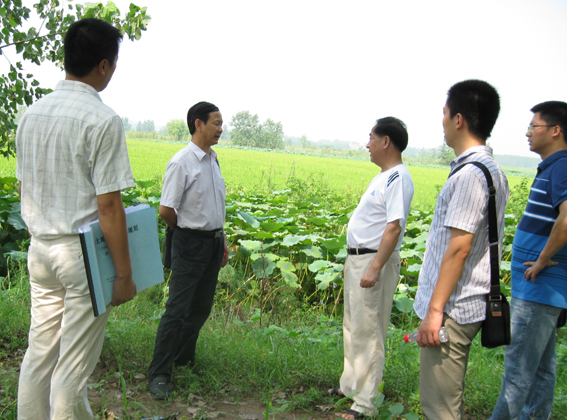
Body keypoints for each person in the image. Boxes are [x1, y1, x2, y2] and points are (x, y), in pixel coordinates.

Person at [15, 18, 137, 420]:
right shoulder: (102, 120)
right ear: (103, 66)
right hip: (81, 255)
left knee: (40, 352)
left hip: (40, 250)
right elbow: (109, 207)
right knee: (72, 368)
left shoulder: (31, 114)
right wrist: (123, 275)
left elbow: (23, 188)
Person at [413, 79, 510, 420]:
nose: (441, 121)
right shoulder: (492, 170)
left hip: (452, 309)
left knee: (440, 407)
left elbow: (459, 248)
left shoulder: (470, 175)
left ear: (458, 119)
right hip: (461, 302)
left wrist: (435, 311)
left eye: (444, 113)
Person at [327, 117, 414, 419]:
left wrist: (375, 267)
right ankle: (350, 385)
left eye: (371, 138)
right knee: (353, 326)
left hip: (373, 260)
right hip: (358, 259)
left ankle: (366, 402)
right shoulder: (383, 176)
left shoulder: (398, 178)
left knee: (369, 331)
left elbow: (393, 227)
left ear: (386, 141)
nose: (367, 144)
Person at [489, 101, 567, 420]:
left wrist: (542, 259)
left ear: (556, 130)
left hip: (539, 287)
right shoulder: (554, 166)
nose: (528, 132)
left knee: (518, 370)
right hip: (542, 289)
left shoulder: (561, 166)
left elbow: (566, 218)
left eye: (534, 126)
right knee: (542, 370)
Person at [148, 101, 229, 399]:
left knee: (201, 308)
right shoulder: (182, 162)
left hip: (213, 242)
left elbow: (214, 206)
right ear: (198, 124)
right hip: (190, 243)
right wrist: (184, 232)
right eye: (216, 123)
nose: (220, 129)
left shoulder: (213, 160)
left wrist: (222, 240)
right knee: (177, 309)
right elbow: (166, 209)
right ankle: (159, 372)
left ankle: (182, 358)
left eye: (221, 124)